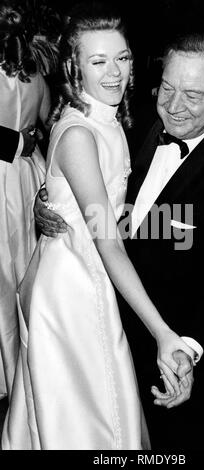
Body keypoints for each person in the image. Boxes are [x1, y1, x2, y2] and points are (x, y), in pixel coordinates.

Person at [34, 32, 204, 450]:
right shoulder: (137, 122)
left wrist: (186, 349)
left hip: (184, 343)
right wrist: (50, 199)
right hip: (112, 324)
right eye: (167, 88)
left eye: (193, 95)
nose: (174, 106)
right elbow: (93, 185)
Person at [2, 2, 193, 450]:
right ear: (74, 67)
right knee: (86, 415)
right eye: (98, 61)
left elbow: (90, 209)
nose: (115, 73)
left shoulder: (103, 120)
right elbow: (109, 244)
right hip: (71, 290)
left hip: (84, 275)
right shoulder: (81, 133)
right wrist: (164, 333)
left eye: (123, 58)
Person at [0, 1, 50, 402]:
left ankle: (13, 375)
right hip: (29, 174)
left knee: (6, 276)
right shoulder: (32, 66)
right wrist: (24, 136)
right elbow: (45, 114)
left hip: (4, 179)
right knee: (29, 271)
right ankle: (35, 364)